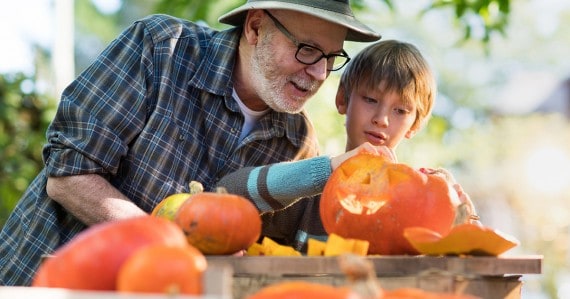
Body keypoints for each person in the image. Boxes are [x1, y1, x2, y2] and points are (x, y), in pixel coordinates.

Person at [0, 0, 381, 285]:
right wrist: (173, 244)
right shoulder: (160, 48)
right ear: (255, 28)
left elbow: (276, 251)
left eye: (332, 57)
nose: (318, 73)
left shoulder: (297, 141)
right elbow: (68, 176)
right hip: (42, 281)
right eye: (308, 50)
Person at [218, 39, 478, 252]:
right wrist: (326, 172)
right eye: (370, 99)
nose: (382, 119)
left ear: (415, 124)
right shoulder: (308, 191)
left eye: (400, 110)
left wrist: (460, 219)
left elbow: (473, 264)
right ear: (343, 100)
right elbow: (225, 196)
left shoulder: (429, 195)